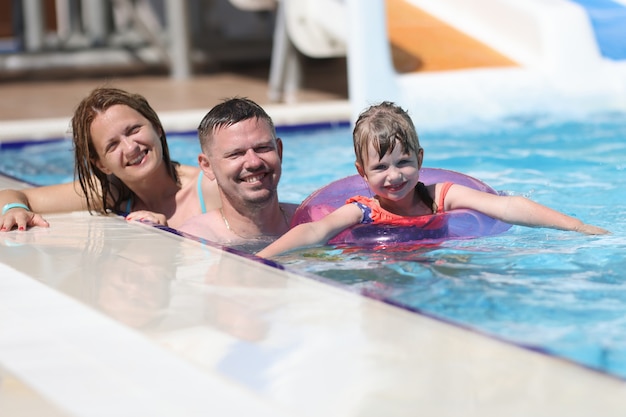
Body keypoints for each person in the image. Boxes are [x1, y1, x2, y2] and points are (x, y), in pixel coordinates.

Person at [256, 101, 610, 258]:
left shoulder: (439, 196)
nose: (394, 176)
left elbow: (506, 206)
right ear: (361, 173)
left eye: (404, 162)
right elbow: (314, 232)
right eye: (380, 168)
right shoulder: (362, 211)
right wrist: (262, 258)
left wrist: (578, 227)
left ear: (421, 159)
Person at [0, 87, 221, 231]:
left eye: (134, 130)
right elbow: (12, 194)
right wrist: (13, 209)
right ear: (101, 164)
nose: (130, 147)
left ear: (157, 128)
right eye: (112, 145)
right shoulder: (110, 193)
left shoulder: (209, 188)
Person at [177, 97, 297, 245]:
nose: (254, 162)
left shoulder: (313, 220)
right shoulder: (195, 240)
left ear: (279, 151)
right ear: (207, 166)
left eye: (262, 148)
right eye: (236, 154)